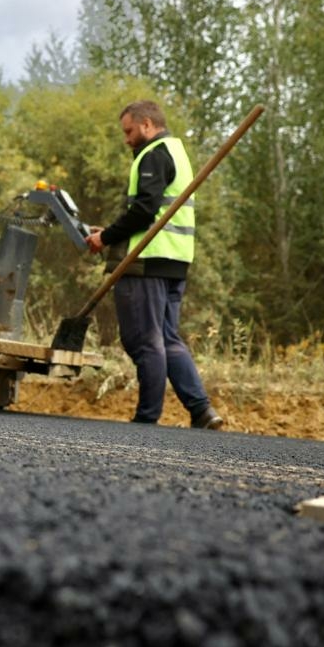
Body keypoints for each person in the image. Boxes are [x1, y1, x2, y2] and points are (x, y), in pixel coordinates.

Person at [85, 100, 223, 430]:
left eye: (130, 131)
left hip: (146, 261)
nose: (127, 139)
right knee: (167, 338)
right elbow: (154, 209)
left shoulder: (154, 154)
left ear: (147, 125)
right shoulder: (177, 152)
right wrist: (109, 233)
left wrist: (105, 239)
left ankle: (147, 418)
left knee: (144, 340)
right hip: (175, 261)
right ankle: (201, 410)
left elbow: (145, 211)